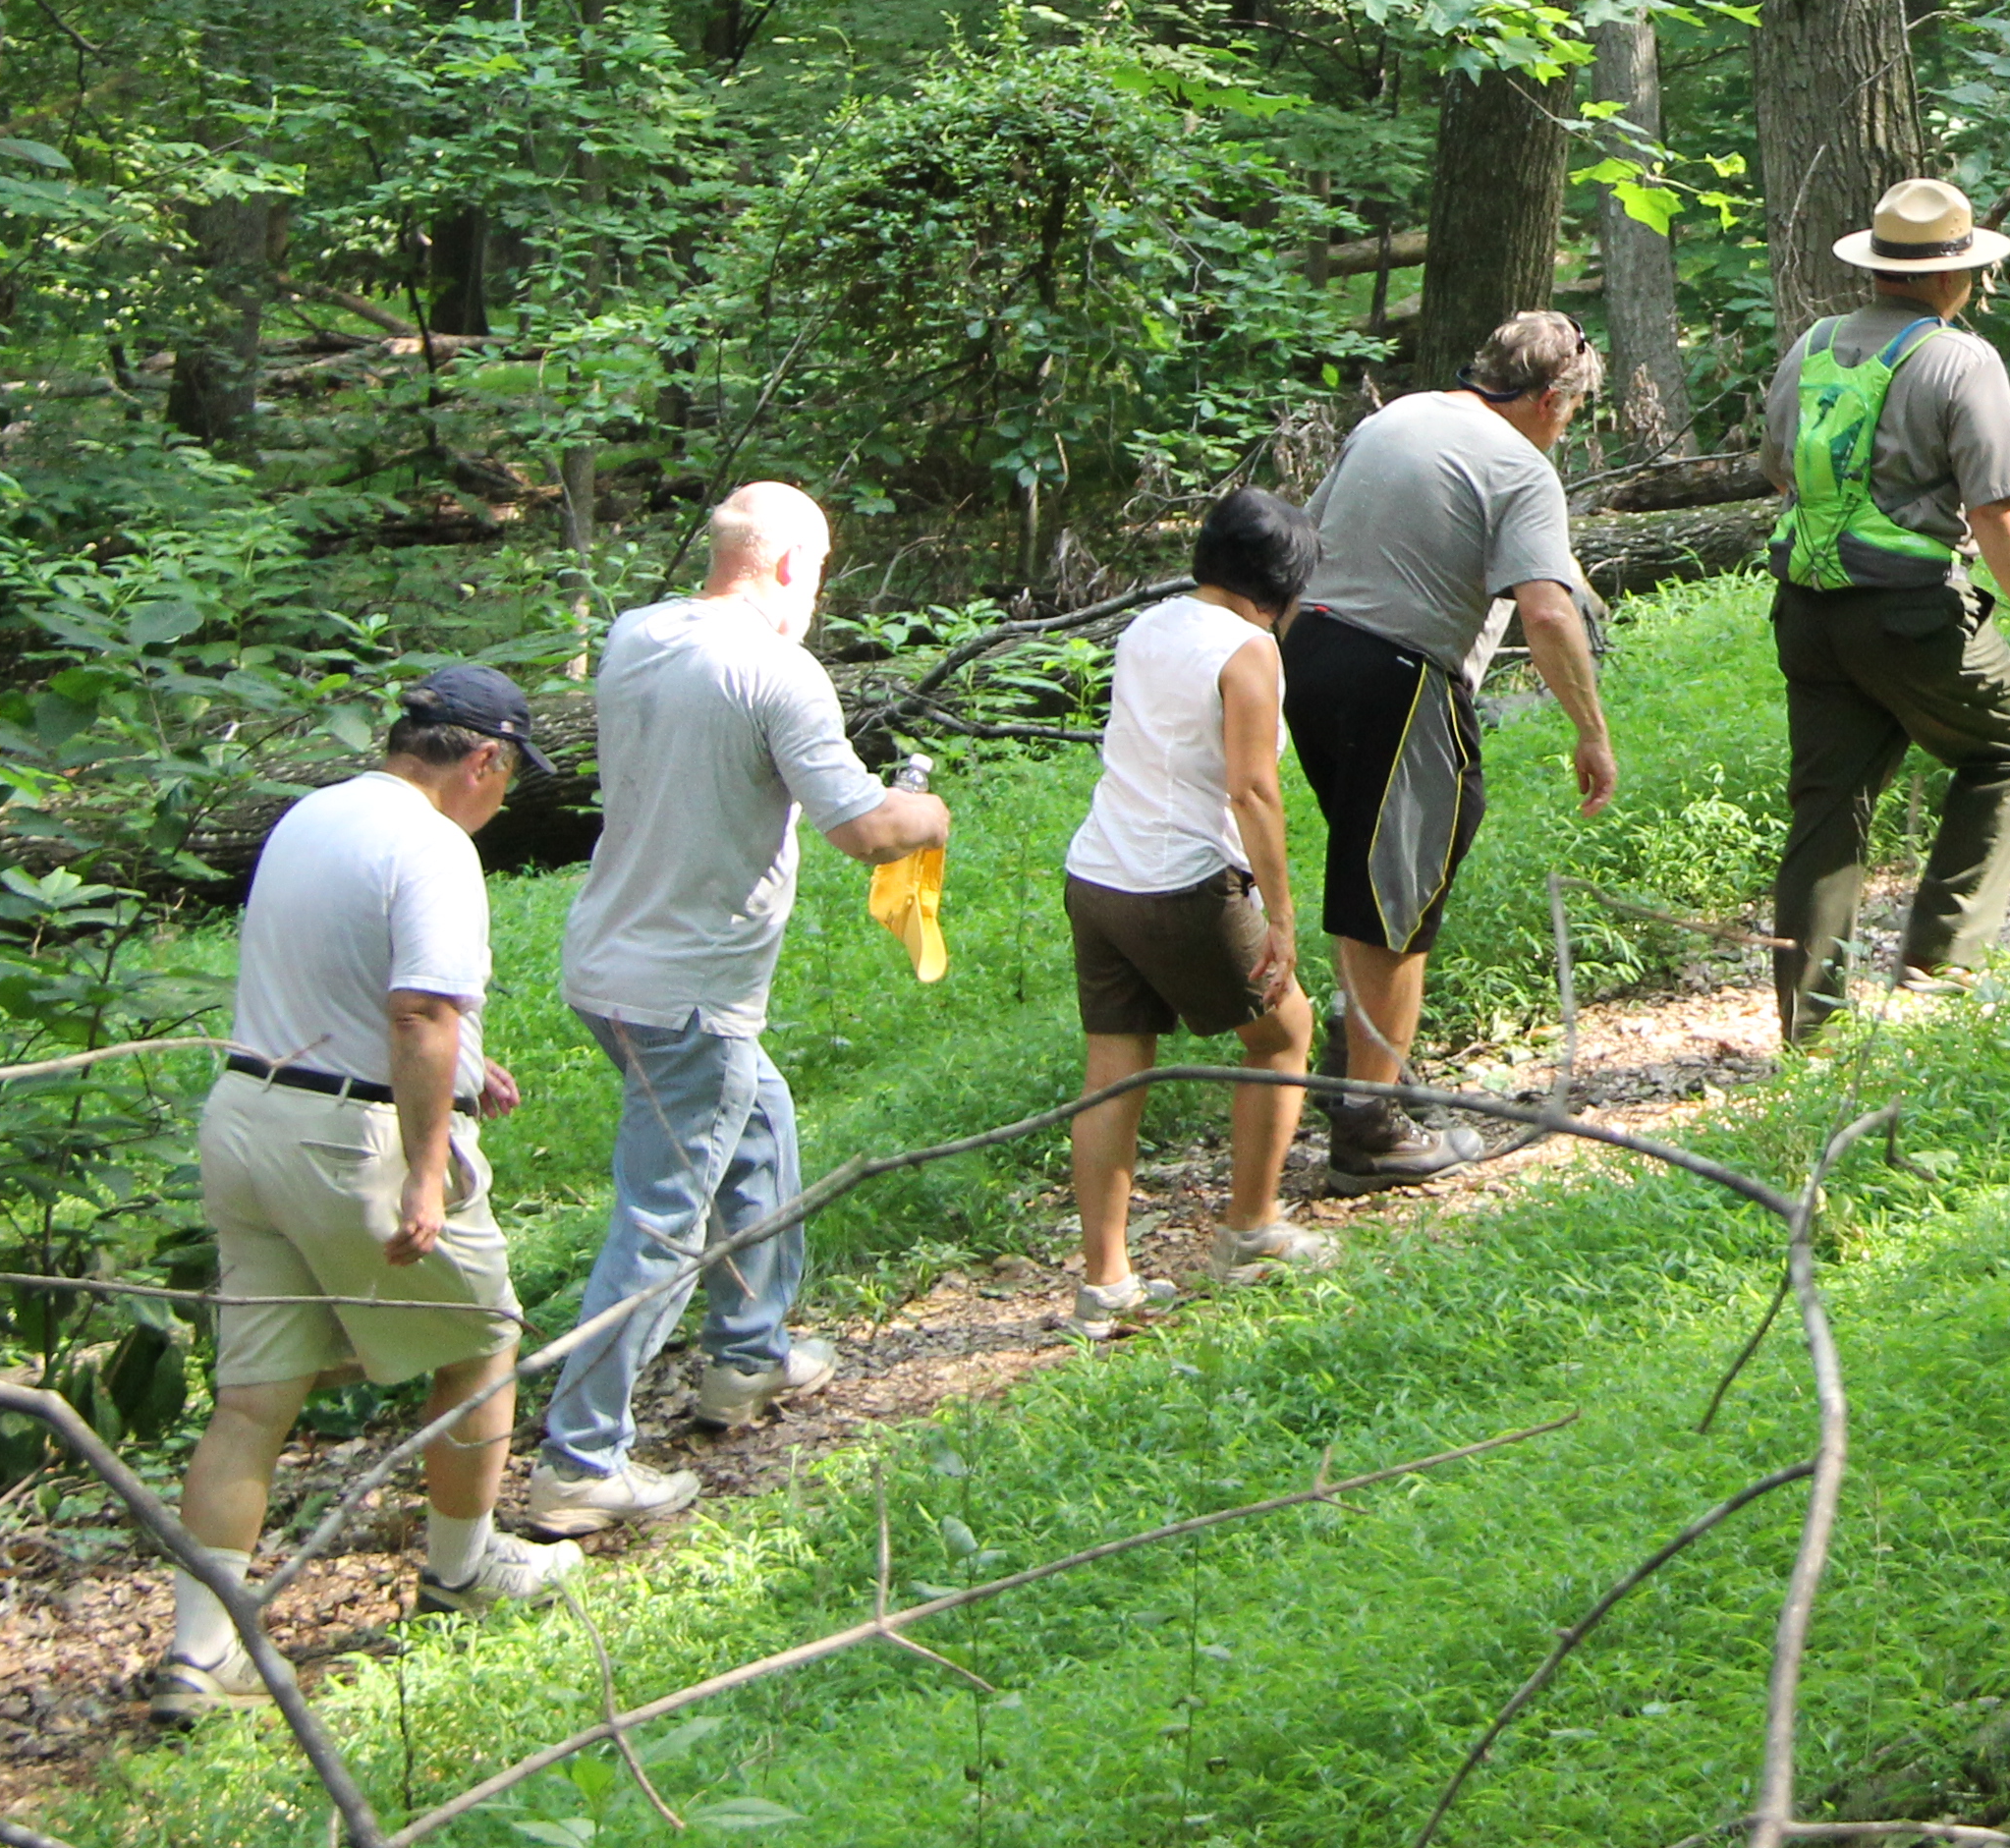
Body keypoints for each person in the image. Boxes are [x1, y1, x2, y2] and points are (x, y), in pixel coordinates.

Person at [145, 668, 583, 1720]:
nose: (505, 799)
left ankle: (201, 1656)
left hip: (247, 1114)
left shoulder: (314, 813)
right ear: (483, 758)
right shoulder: (434, 845)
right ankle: (462, 1573)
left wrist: (469, 1062)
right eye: (509, 778)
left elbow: (347, 977)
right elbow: (420, 1012)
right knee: (481, 1340)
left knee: (253, 1398)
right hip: (349, 1138)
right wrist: (428, 1170)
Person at [523, 483, 950, 1532]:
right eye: (821, 572)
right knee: (664, 1216)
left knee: (759, 1126)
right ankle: (580, 1462)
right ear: (795, 567)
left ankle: (748, 1358)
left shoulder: (636, 635)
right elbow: (863, 830)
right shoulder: (779, 670)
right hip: (687, 994)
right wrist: (926, 809)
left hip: (610, 966)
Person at [1288, 310, 1619, 1191]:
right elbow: (1545, 612)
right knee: (1398, 893)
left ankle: (1358, 1062)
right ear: (1551, 399)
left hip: (1307, 656)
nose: (1568, 427)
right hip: (1399, 677)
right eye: (1573, 411)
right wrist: (1591, 731)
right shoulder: (1520, 464)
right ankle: (1371, 1127)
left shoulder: (1390, 419)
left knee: (1371, 870)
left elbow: (1302, 545)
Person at [1759, 177, 2010, 1037]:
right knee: (2006, 750)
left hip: (1808, 611)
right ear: (1949, 277)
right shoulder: (1959, 358)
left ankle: (1809, 1030)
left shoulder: (1810, 346)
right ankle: (1942, 970)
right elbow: (1998, 503)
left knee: (1826, 806)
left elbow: (1778, 467)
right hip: (1911, 615)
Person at [1056, 488, 1342, 1330]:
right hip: (1180, 882)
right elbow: (1252, 790)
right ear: (1281, 585)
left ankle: (1104, 1284)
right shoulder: (1248, 652)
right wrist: (1282, 919)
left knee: (1114, 1071)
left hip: (1098, 874)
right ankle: (1251, 1230)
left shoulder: (1150, 625)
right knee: (1284, 1033)